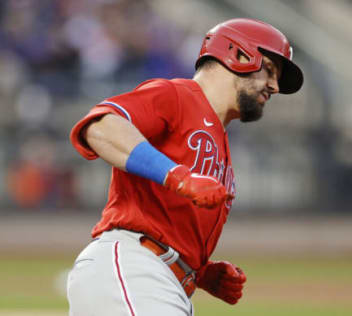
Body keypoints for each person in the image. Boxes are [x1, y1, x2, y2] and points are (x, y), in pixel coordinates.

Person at [67, 18, 303, 316]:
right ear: (239, 55)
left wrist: (199, 272)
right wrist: (176, 175)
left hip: (161, 281)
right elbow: (101, 127)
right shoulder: (177, 95)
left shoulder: (220, 139)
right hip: (133, 266)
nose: (275, 86)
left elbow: (168, 217)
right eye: (269, 70)